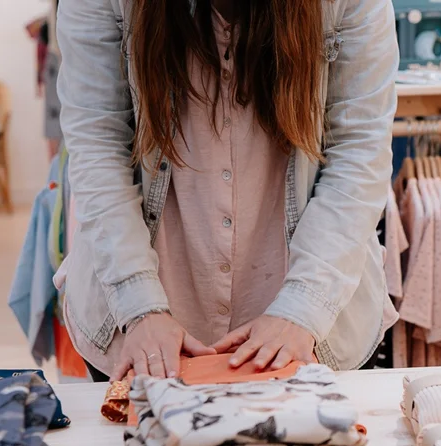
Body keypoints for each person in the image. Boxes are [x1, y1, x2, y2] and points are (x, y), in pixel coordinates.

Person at [56, 0, 399, 382]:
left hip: (312, 325)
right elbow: (96, 145)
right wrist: (139, 307)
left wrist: (303, 307)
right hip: (140, 329)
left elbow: (359, 152)